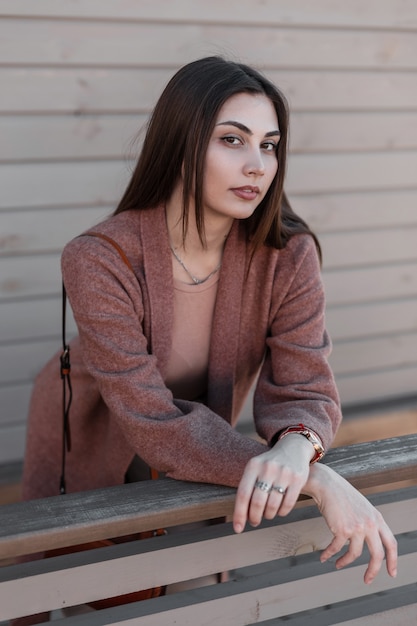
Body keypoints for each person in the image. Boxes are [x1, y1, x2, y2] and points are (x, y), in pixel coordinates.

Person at [21, 55, 396, 612]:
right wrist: (321, 482)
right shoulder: (100, 258)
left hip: (206, 452)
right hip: (99, 437)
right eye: (232, 140)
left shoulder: (287, 254)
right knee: (88, 587)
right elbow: (152, 421)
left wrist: (299, 449)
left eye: (269, 145)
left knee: (200, 593)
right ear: (180, 144)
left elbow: (306, 387)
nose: (257, 166)